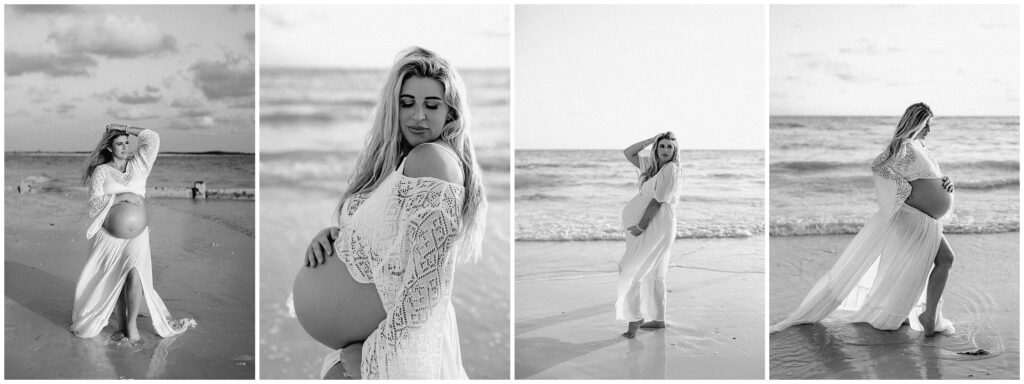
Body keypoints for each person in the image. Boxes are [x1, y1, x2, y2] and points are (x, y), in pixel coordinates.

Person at [302, 46, 487, 379]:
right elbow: (393, 246)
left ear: (451, 113)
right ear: (393, 107)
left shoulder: (432, 160)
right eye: (407, 103)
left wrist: (375, 359)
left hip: (393, 349)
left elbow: (428, 286)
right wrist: (337, 237)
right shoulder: (408, 161)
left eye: (432, 105)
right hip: (373, 341)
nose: (418, 116)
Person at [770, 102, 956, 337]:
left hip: (922, 216)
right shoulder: (904, 146)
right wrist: (902, 189)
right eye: (927, 124)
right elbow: (878, 165)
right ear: (917, 122)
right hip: (913, 216)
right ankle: (925, 316)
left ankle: (912, 313)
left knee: (917, 264)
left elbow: (927, 176)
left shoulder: (918, 146)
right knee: (942, 259)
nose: (929, 129)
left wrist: (946, 181)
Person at [72, 123, 194, 341]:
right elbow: (93, 205)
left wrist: (123, 128)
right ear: (109, 147)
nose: (125, 147)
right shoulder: (101, 171)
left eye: (127, 142)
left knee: (135, 275)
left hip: (137, 237)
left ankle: (132, 326)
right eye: (119, 143)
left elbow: (152, 138)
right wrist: (121, 197)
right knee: (116, 279)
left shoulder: (139, 165)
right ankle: (121, 326)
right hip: (108, 238)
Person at [616, 131, 681, 338]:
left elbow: (656, 202)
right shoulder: (652, 167)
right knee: (654, 270)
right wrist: (650, 140)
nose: (665, 150)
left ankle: (635, 318)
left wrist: (641, 226)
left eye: (669, 147)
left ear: (675, 150)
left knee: (630, 267)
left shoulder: (671, 169)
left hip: (656, 223)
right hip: (654, 223)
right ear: (656, 149)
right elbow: (628, 152)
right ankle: (659, 319)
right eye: (661, 146)